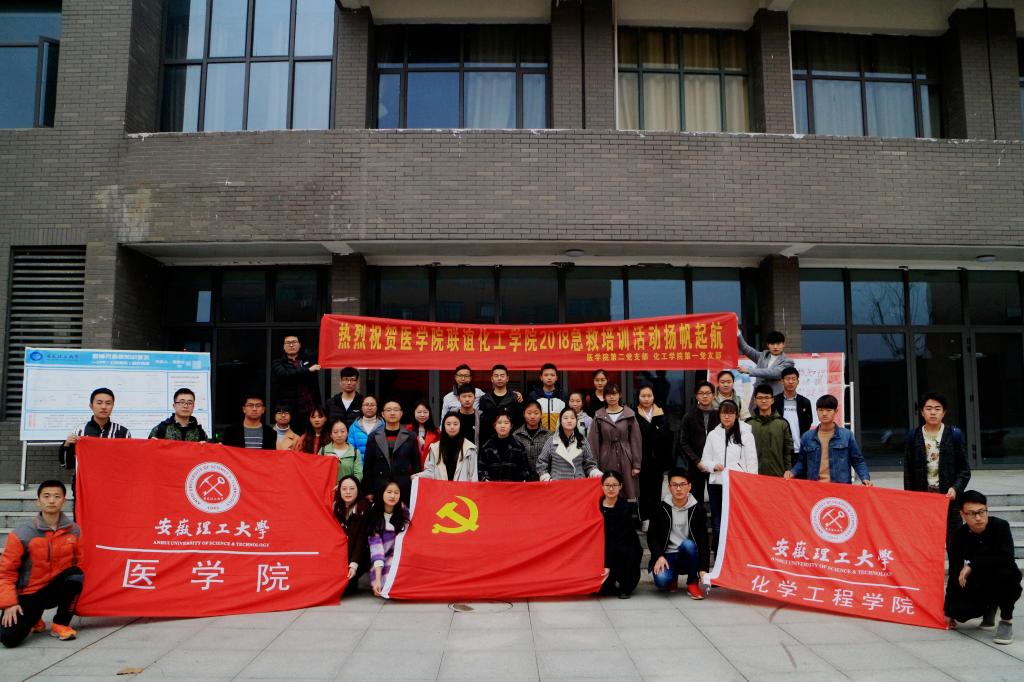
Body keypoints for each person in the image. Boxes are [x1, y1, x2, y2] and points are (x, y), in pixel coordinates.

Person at [0, 481, 83, 647]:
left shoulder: (74, 530)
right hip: (28, 593)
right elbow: (6, 572)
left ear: (63, 501)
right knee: (9, 638)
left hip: (54, 590)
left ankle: (60, 624)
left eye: (57, 496)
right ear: (38, 501)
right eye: (46, 496)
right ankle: (35, 619)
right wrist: (9, 603)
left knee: (75, 574)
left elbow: (78, 561)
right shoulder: (22, 533)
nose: (51, 500)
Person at [946, 490, 1021, 645]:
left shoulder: (1000, 526)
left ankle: (1006, 621)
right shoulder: (959, 536)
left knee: (1006, 575)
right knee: (958, 611)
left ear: (987, 510)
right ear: (962, 514)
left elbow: (1006, 558)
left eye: (981, 512)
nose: (978, 518)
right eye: (972, 513)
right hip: (978, 581)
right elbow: (954, 572)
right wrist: (948, 611)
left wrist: (972, 565)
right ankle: (989, 608)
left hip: (1003, 576)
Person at [904, 392, 971, 545]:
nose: (933, 412)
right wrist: (910, 499)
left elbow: (964, 470)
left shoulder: (954, 435)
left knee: (954, 543)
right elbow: (908, 473)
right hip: (923, 500)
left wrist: (956, 488)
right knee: (925, 544)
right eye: (928, 408)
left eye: (937, 408)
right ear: (922, 412)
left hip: (948, 499)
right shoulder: (913, 436)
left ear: (944, 412)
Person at [57, 387, 131, 520]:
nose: (104, 407)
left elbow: (128, 464)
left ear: (113, 406)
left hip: (113, 488)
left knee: (112, 521)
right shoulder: (79, 431)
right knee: (83, 521)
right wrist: (67, 445)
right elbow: (67, 464)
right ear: (91, 405)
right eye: (99, 402)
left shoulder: (123, 433)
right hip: (84, 487)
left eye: (108, 403)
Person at [700, 400, 758, 553]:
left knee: (736, 519)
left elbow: (752, 463)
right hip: (716, 483)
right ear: (719, 415)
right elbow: (704, 460)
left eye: (730, 413)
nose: (727, 417)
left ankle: (735, 553)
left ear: (737, 415)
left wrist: (751, 485)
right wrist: (713, 466)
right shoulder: (713, 435)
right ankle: (719, 553)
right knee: (717, 518)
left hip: (738, 485)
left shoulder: (746, 434)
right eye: (724, 413)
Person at [648, 468, 710, 599]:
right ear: (669, 487)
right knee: (662, 581)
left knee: (689, 545)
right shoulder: (661, 508)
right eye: (674, 485)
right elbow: (652, 536)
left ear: (689, 486)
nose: (678, 489)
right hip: (667, 555)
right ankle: (672, 578)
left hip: (687, 554)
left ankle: (692, 583)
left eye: (682, 484)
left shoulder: (697, 509)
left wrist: (704, 568)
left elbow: (703, 541)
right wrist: (659, 556)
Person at [786, 395, 872, 486]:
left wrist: (865, 478)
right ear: (816, 411)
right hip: (815, 487)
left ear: (836, 411)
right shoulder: (807, 437)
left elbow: (858, 461)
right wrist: (792, 472)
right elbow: (802, 462)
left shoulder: (847, 435)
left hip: (840, 487)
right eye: (821, 410)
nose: (824, 413)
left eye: (828, 410)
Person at [588, 384, 642, 510]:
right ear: (604, 397)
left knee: (626, 489)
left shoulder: (629, 414)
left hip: (626, 456)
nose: (611, 397)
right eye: (608, 394)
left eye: (614, 394)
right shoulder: (599, 415)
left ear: (620, 395)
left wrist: (636, 464)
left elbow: (636, 440)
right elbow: (593, 442)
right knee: (608, 487)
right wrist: (593, 465)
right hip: (606, 456)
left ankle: (625, 517)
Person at [362, 401, 421, 503]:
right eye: (388, 410)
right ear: (383, 414)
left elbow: (416, 465)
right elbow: (368, 466)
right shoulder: (373, 436)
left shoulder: (411, 436)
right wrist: (369, 490)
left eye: (396, 410)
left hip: (403, 486)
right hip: (379, 486)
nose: (392, 413)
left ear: (401, 413)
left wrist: (416, 488)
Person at [599, 470, 643, 599]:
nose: (611, 488)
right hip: (602, 549)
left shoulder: (625, 508)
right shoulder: (596, 506)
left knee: (624, 553)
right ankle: (610, 581)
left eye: (614, 485)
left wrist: (607, 565)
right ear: (602, 486)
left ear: (620, 486)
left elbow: (618, 540)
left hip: (624, 551)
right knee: (603, 590)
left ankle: (624, 583)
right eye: (607, 485)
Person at [678, 381, 720, 505]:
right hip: (695, 465)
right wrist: (696, 461)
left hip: (716, 465)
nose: (705, 396)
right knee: (696, 500)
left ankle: (716, 519)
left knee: (717, 500)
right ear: (696, 396)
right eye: (701, 393)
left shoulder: (719, 416)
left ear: (713, 395)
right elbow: (683, 442)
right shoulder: (689, 417)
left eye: (708, 393)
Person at [635, 385, 671, 528]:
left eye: (649, 396)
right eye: (643, 396)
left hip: (657, 460)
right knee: (643, 491)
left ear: (654, 397)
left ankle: (655, 520)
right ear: (638, 397)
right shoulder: (634, 415)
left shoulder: (661, 414)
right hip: (641, 459)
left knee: (656, 491)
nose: (646, 399)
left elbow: (668, 438)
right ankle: (644, 519)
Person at [367, 480, 410, 598]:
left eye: (396, 492)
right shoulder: (374, 514)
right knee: (385, 585)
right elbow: (376, 550)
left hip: (402, 556)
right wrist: (378, 579)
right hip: (382, 558)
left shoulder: (404, 512)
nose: (393, 496)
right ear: (382, 493)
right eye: (389, 492)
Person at [270, 335, 321, 431]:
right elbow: (285, 375)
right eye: (288, 343)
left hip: (310, 408)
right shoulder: (278, 363)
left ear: (299, 345)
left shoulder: (308, 360)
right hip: (289, 410)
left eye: (294, 342)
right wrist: (308, 370)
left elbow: (323, 351)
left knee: (309, 435)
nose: (291, 345)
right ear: (283, 347)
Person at [537, 408, 602, 481]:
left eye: (572, 418)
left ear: (576, 421)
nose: (569, 421)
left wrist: (596, 473)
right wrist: (547, 479)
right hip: (557, 484)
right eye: (565, 418)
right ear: (560, 421)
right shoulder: (552, 440)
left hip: (578, 483)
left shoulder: (582, 441)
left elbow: (590, 464)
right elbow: (541, 462)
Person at [333, 475, 371, 594]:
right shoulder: (334, 507)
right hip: (339, 555)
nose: (348, 492)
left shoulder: (365, 509)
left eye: (352, 488)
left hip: (358, 556)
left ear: (358, 490)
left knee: (346, 588)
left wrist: (353, 565)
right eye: (344, 489)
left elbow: (361, 539)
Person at [746, 384, 794, 478]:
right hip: (753, 475)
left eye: (767, 397)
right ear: (755, 400)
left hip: (778, 475)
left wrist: (788, 469)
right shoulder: (748, 424)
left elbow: (788, 450)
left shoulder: (782, 423)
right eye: (760, 398)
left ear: (772, 400)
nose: (763, 401)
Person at [478, 411, 536, 482]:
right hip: (492, 486)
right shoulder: (487, 446)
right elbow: (481, 469)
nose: (503, 426)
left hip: (513, 487)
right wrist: (485, 479)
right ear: (494, 426)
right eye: (499, 423)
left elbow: (525, 469)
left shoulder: (518, 446)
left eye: (506, 423)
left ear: (511, 426)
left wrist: (522, 478)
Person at [423, 412, 479, 481]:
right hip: (441, 487)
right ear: (443, 426)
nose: (452, 427)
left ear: (460, 425)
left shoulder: (470, 448)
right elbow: (430, 472)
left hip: (462, 487)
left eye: (455, 424)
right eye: (448, 424)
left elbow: (473, 476)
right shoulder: (435, 448)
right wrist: (418, 476)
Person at [737, 330, 794, 396]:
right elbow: (745, 349)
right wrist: (738, 333)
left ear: (783, 344)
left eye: (778, 344)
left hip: (775, 397)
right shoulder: (762, 356)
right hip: (758, 396)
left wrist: (749, 370)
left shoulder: (788, 361)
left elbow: (773, 373)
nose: (775, 347)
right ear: (768, 345)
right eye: (772, 344)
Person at [477, 364, 523, 445]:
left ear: (507, 378)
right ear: (492, 379)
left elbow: (519, 422)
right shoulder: (484, 399)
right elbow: (482, 424)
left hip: (511, 441)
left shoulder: (515, 398)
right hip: (489, 442)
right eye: (496, 376)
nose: (499, 378)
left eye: (502, 376)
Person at [773, 366, 812, 460]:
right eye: (788, 379)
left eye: (793, 379)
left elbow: (808, 422)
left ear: (798, 381)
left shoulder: (805, 402)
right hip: (779, 450)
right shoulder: (774, 401)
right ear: (782, 381)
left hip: (800, 449)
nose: (790, 382)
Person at [513, 400, 551, 478]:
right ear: (524, 414)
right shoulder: (516, 435)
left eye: (536, 413)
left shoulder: (549, 435)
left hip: (544, 478)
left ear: (541, 414)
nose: (532, 416)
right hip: (523, 479)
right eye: (529, 413)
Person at [527, 363, 566, 431]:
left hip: (558, 434)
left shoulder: (563, 395)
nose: (549, 378)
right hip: (539, 434)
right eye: (546, 375)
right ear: (541, 378)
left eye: (552, 375)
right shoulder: (533, 395)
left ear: (556, 378)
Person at [347, 395, 382, 460]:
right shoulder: (353, 428)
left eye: (372, 405)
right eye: (366, 405)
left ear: (377, 407)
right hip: (359, 465)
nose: (369, 408)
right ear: (361, 407)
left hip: (379, 465)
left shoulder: (383, 426)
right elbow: (350, 451)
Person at [406, 400, 440, 467]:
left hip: (430, 467)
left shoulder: (436, 432)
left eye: (425, 412)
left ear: (429, 413)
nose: (422, 415)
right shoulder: (407, 430)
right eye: (419, 412)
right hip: (412, 468)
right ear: (414, 413)